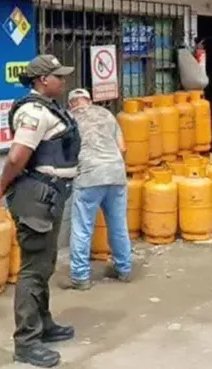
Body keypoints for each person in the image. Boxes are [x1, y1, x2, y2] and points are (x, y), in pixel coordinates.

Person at [0, 54, 80, 368]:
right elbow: (17, 157)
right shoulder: (33, 112)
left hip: (49, 196)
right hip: (35, 197)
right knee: (33, 269)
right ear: (43, 80)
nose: (63, 81)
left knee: (45, 264)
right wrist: (2, 183)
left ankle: (44, 324)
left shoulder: (48, 108)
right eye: (59, 76)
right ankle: (26, 342)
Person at [61, 88, 133, 290]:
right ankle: (124, 269)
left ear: (71, 104)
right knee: (118, 224)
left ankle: (80, 277)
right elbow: (123, 148)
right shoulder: (107, 114)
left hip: (89, 176)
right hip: (116, 173)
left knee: (82, 228)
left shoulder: (69, 118)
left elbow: (65, 152)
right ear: (89, 101)